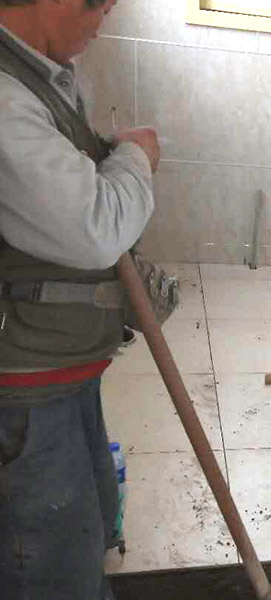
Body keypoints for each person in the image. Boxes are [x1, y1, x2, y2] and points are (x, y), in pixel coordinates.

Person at [0, 1, 160, 598]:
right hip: (25, 385)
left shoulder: (40, 76)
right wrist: (136, 158)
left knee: (85, 521)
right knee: (51, 563)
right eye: (101, 5)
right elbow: (95, 229)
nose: (103, 20)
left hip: (60, 369)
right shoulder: (7, 95)